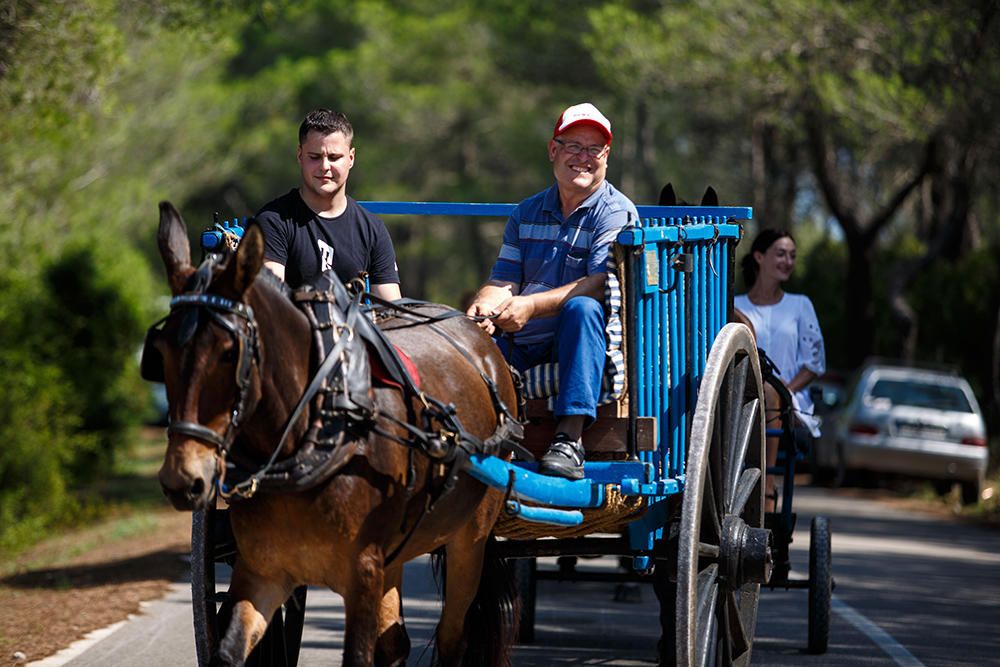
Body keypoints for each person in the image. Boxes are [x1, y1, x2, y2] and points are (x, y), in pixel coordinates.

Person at [466, 103, 638, 480]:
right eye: (573, 146)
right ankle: (475, 435)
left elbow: (598, 282)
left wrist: (528, 306)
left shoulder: (615, 212)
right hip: (523, 339)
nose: (583, 158)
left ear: (607, 157)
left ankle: (569, 438)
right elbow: (504, 279)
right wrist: (482, 308)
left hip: (578, 341)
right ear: (553, 150)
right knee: (466, 339)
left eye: (594, 150)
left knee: (582, 309)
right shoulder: (526, 212)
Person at [255, 108, 402, 299]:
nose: (324, 166)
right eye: (315, 157)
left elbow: (392, 309)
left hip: (353, 329)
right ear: (300, 156)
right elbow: (271, 302)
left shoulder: (373, 229)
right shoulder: (273, 221)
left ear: (351, 158)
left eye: (334, 157)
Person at [735, 228, 826, 510]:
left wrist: (786, 388)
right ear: (759, 257)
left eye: (792, 256)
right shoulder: (736, 306)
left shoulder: (800, 305)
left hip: (788, 401)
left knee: (769, 393)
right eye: (781, 254)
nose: (788, 261)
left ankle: (767, 485)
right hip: (740, 399)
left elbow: (814, 363)